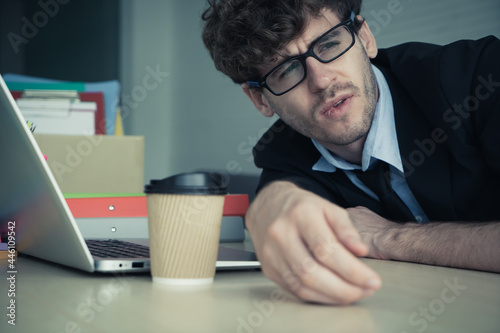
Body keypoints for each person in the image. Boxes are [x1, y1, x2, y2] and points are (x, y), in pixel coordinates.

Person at [201, 0, 500, 305]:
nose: (321, 81)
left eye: (329, 44)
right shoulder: (281, 157)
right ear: (259, 99)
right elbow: (289, 216)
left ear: (365, 38)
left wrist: (390, 238)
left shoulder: (481, 76)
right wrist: (268, 204)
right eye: (286, 69)